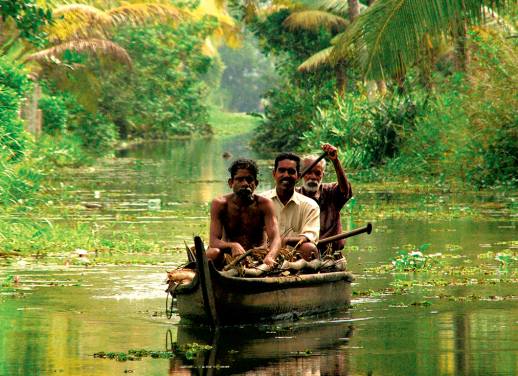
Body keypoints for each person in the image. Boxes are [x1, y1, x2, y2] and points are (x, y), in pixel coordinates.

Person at [207, 159, 281, 267]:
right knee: (213, 253)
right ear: (231, 183)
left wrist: (270, 256)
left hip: (258, 255)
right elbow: (213, 241)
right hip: (230, 256)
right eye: (240, 179)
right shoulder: (220, 204)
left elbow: (275, 238)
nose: (245, 184)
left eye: (249, 179)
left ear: (256, 183)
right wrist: (233, 246)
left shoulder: (264, 204)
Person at [262, 152, 320, 260]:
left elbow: (309, 236)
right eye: (282, 171)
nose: (286, 175)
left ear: (298, 176)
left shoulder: (310, 206)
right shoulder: (260, 202)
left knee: (309, 248)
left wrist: (286, 240)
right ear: (274, 174)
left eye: (291, 172)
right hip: (263, 254)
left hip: (295, 257)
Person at [298, 143, 353, 253]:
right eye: (308, 172)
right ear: (301, 174)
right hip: (304, 253)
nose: (313, 177)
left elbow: (344, 190)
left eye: (317, 173)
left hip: (331, 254)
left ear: (322, 175)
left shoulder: (331, 191)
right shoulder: (295, 196)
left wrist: (335, 161)